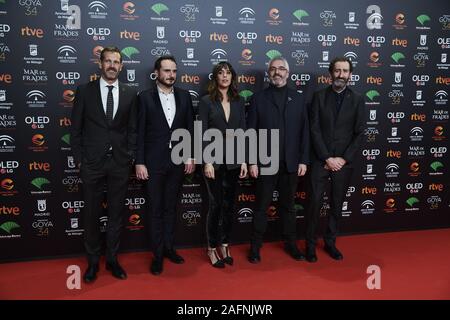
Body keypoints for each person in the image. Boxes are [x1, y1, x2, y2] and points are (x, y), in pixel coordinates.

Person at [71, 46, 138, 283]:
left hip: (119, 163)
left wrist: (129, 155)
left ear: (121, 66)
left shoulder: (131, 93)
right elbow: (75, 130)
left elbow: (132, 129)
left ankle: (112, 259)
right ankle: (92, 262)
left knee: (116, 214)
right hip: (92, 163)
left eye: (116, 62)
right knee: (91, 214)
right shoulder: (84, 91)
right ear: (100, 64)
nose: (111, 65)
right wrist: (79, 160)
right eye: (107, 61)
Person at [135, 55, 195, 276]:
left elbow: (189, 128)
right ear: (157, 73)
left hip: (178, 161)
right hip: (152, 162)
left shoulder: (185, 96)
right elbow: (139, 132)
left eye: (174, 71)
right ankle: (157, 254)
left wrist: (190, 156)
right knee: (156, 209)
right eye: (167, 71)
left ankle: (169, 248)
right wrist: (139, 161)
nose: (171, 75)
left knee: (171, 208)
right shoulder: (144, 97)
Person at [246, 56, 310, 264]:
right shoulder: (258, 98)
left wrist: (303, 160)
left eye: (281, 69)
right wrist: (252, 161)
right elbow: (251, 133)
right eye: (273, 69)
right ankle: (255, 248)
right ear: (269, 73)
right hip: (265, 162)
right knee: (261, 207)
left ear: (287, 73)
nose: (277, 72)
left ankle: (291, 244)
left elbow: (304, 132)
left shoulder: (298, 98)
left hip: (291, 163)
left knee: (289, 208)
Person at [305, 56, 364, 262]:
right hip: (321, 160)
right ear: (331, 73)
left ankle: (330, 243)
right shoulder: (319, 97)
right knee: (313, 204)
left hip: (343, 163)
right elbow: (313, 129)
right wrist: (327, 157)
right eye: (337, 70)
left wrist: (343, 159)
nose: (341, 75)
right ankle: (310, 246)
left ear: (350, 74)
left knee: (337, 205)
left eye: (345, 71)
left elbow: (359, 133)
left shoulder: (357, 99)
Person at [198, 62, 248, 268]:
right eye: (221, 73)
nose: (225, 76)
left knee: (229, 205)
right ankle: (211, 248)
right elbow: (201, 132)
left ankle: (225, 244)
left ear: (232, 77)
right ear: (215, 77)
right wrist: (207, 161)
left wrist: (244, 159)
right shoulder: (206, 101)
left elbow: (243, 131)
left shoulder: (239, 101)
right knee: (216, 205)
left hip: (235, 160)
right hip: (214, 161)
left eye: (228, 73)